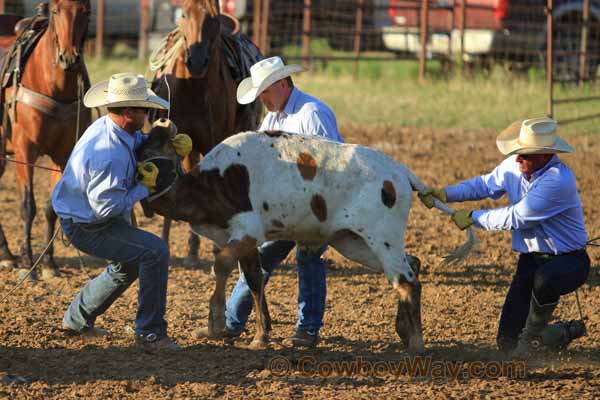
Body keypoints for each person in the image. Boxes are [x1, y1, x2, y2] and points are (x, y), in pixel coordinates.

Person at [196, 56, 344, 348]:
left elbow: (333, 164)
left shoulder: (312, 113)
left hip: (319, 205)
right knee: (257, 257)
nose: (261, 98)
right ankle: (231, 323)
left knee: (308, 256)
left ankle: (307, 329)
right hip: (285, 207)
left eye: (264, 91)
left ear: (281, 84)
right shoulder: (272, 117)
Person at [420, 117, 590, 357]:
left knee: (544, 280)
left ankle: (531, 341)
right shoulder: (516, 165)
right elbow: (485, 185)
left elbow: (517, 217)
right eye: (519, 152)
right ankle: (562, 332)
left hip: (569, 261)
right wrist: (447, 194)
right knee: (506, 341)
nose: (518, 158)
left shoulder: (557, 180)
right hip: (531, 260)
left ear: (545, 156)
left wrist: (473, 217)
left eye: (526, 154)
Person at [52, 73, 192, 351]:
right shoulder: (109, 154)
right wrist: (144, 187)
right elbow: (105, 209)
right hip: (88, 224)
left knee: (126, 266)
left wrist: (159, 139)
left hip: (80, 215)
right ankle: (150, 333)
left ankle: (76, 319)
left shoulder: (112, 128)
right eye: (144, 109)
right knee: (155, 251)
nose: (147, 114)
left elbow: (135, 140)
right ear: (129, 111)